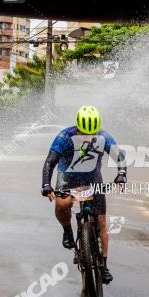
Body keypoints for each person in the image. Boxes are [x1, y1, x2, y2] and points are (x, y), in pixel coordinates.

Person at [41, 105, 127, 284]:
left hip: (92, 180)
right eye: (83, 133)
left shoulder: (104, 137)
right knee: (62, 204)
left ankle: (103, 266)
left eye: (92, 133)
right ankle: (67, 231)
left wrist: (121, 174)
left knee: (101, 221)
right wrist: (46, 185)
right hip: (67, 179)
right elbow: (50, 162)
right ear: (77, 126)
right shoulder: (65, 137)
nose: (88, 137)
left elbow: (119, 156)